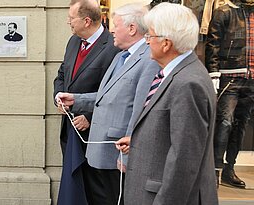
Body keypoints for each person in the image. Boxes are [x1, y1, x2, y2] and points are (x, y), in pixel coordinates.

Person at [56, 3, 160, 204]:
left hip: (117, 154)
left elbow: (140, 111)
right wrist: (76, 99)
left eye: (116, 25)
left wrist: (128, 156)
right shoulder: (122, 56)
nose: (111, 29)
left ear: (131, 28)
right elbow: (107, 96)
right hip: (100, 151)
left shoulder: (147, 59)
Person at [116, 3, 219, 204]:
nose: (146, 42)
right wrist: (140, 142)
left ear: (166, 43)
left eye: (150, 36)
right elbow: (173, 133)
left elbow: (184, 159)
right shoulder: (178, 73)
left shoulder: (188, 83)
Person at [53, 0, 119, 204]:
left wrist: (90, 117)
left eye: (71, 19)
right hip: (70, 130)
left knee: (97, 193)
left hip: (96, 135)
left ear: (87, 21)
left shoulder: (113, 47)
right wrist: (58, 97)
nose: (68, 23)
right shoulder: (73, 41)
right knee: (75, 189)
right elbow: (62, 74)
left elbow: (115, 93)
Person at [205, 0, 254, 188]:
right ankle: (215, 170)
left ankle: (229, 168)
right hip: (229, 76)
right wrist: (213, 73)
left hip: (251, 77)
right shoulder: (223, 13)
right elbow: (213, 44)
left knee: (241, 124)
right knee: (224, 122)